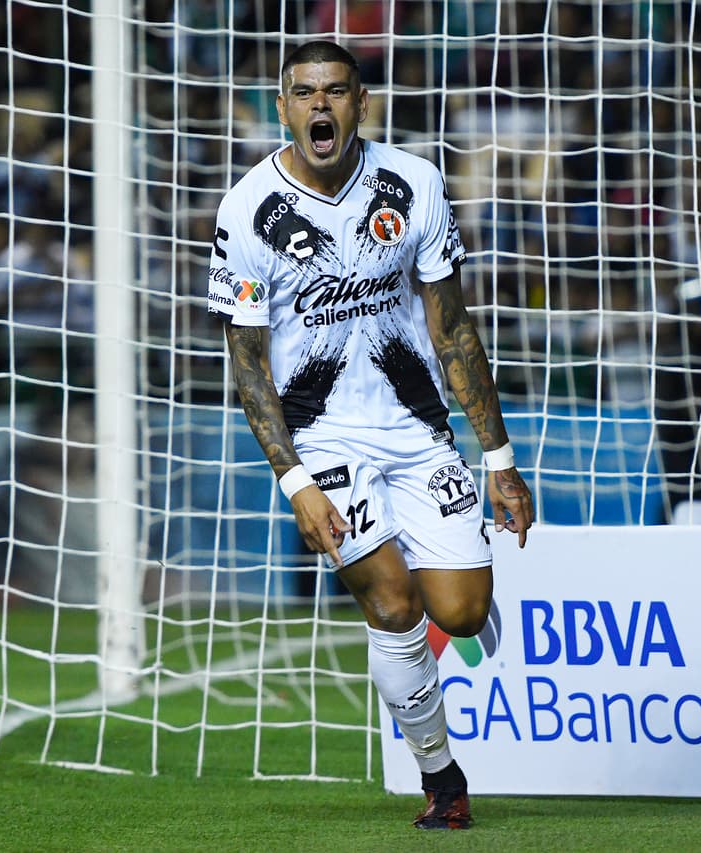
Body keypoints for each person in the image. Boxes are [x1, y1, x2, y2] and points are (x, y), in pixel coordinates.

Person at [206, 40, 534, 830]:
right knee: (391, 603)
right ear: (283, 107)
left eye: (336, 91)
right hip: (323, 440)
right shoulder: (247, 210)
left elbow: (452, 328)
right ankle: (442, 778)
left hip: (416, 430)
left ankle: (446, 574)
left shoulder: (412, 183)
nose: (320, 105)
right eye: (305, 92)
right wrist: (296, 482)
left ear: (362, 103)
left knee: (460, 612)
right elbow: (248, 364)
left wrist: (498, 459)